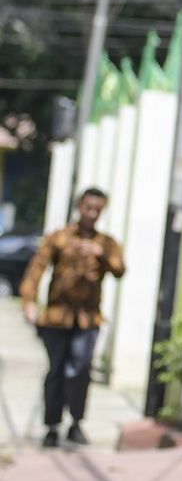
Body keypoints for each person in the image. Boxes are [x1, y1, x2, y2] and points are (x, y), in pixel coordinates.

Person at [19, 187, 126, 448]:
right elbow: (36, 268)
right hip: (57, 317)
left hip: (88, 319)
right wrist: (29, 301)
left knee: (79, 369)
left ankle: (76, 422)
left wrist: (102, 255)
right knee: (56, 370)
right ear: (79, 207)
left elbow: (120, 269)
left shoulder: (105, 243)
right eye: (88, 208)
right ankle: (52, 426)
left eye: (97, 210)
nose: (91, 214)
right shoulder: (60, 237)